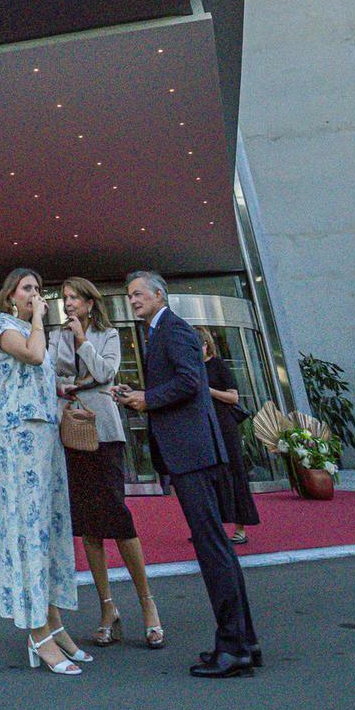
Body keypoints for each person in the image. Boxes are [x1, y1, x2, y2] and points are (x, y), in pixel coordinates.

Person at [116, 272, 260, 678]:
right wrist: (137, 399)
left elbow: (189, 382)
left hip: (193, 455)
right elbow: (174, 389)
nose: (133, 301)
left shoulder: (173, 329)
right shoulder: (157, 333)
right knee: (218, 548)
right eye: (130, 296)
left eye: (138, 294)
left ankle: (233, 648)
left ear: (159, 294)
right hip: (191, 453)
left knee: (213, 549)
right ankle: (245, 641)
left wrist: (148, 398)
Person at [49, 277, 162, 646]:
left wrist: (82, 341)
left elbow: (105, 374)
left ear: (89, 302)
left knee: (117, 515)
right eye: (64, 299)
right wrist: (65, 380)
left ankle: (148, 604)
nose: (67, 304)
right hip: (72, 430)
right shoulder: (57, 335)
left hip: (105, 432)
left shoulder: (108, 334)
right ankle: (107, 607)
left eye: (73, 298)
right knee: (89, 525)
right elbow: (51, 374)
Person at [0, 268, 85, 676]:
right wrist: (38, 319)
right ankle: (37, 631)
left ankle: (55, 621)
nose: (35, 295)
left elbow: (39, 370)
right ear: (11, 295)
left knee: (50, 527)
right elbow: (31, 355)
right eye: (27, 288)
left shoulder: (32, 328)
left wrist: (61, 390)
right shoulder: (4, 327)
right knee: (29, 529)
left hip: (46, 435)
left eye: (38, 289)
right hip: (20, 436)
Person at [198, 328, 260, 544]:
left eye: (200, 344)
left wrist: (209, 390)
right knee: (207, 478)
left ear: (207, 345)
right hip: (202, 425)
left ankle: (240, 527)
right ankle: (209, 528)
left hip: (224, 425)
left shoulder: (218, 366)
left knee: (233, 473)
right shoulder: (191, 368)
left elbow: (233, 397)